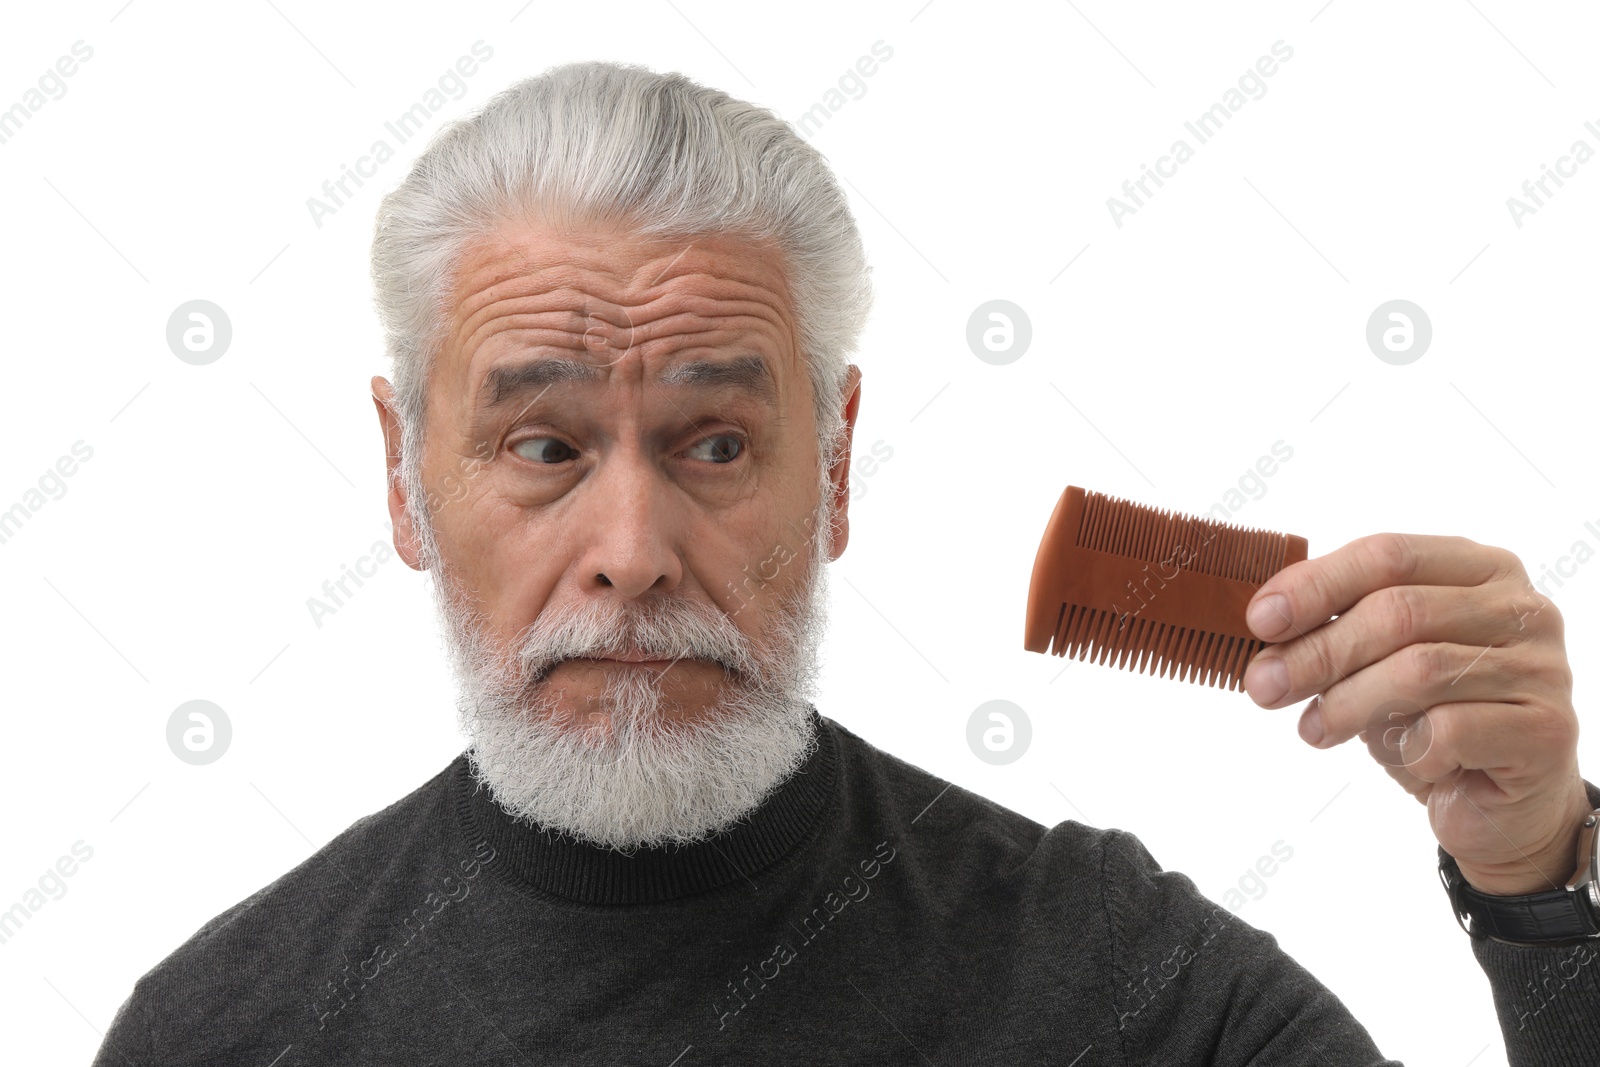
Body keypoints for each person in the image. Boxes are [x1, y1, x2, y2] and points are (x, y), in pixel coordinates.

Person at [92, 60, 1599, 1064]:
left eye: (717, 444)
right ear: (406, 483)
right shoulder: (227, 1029)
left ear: (834, 465)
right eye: (543, 448)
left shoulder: (1119, 986)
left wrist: (1537, 879)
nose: (630, 556)